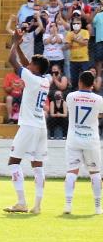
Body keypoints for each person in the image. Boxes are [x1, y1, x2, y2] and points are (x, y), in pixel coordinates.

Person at [3, 26, 51, 214]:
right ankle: (37, 205)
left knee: (14, 162)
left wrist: (15, 42)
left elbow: (12, 60)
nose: (28, 64)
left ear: (35, 68)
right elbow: (25, 64)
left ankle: (21, 202)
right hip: (41, 127)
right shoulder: (45, 79)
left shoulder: (31, 79)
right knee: (37, 165)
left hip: (29, 126)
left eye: (31, 64)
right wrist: (21, 47)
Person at [63, 70, 103, 215]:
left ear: (79, 82)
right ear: (93, 84)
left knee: (72, 172)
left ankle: (68, 205)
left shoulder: (71, 96)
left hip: (74, 138)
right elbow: (100, 113)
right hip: (91, 140)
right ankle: (98, 207)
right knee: (95, 173)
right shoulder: (99, 99)